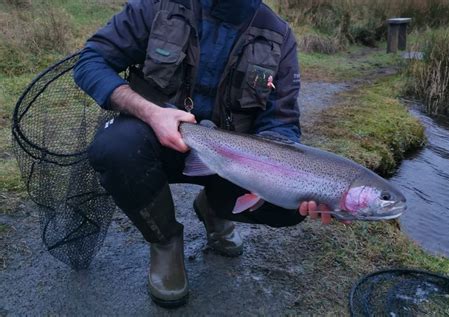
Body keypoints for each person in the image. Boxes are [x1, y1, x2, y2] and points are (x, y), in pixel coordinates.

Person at [74, 0, 336, 308]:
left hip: (232, 162)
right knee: (113, 149)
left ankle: (214, 208)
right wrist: (150, 112)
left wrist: (281, 177)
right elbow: (90, 62)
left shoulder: (278, 35)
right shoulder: (158, 6)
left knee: (289, 204)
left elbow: (281, 125)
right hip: (156, 138)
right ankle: (165, 239)